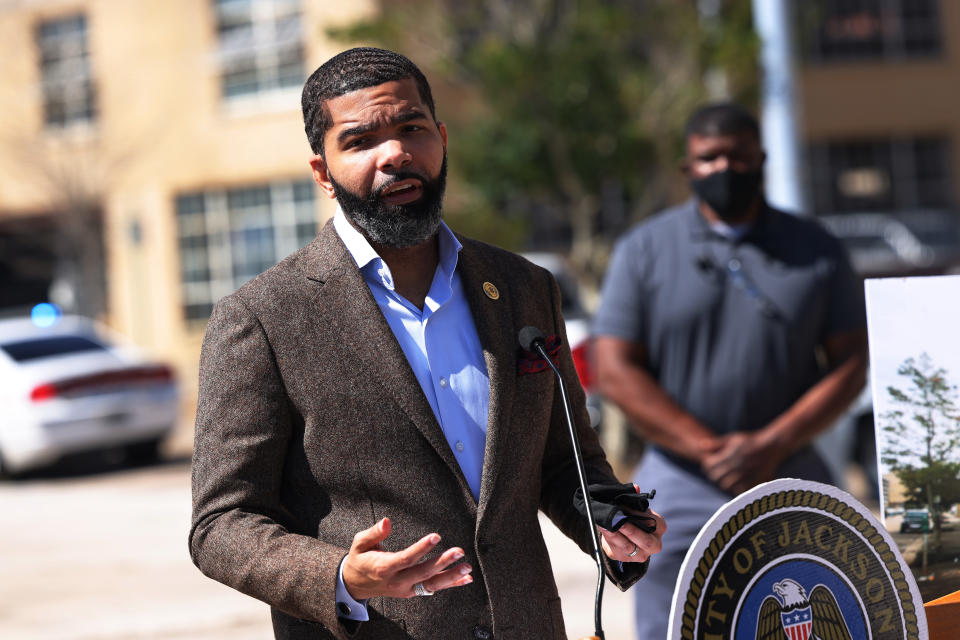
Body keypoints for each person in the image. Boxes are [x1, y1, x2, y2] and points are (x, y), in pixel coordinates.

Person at [189, 47, 665, 640]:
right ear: (323, 172)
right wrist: (341, 574)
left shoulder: (524, 289)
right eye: (360, 142)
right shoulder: (262, 318)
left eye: (411, 130)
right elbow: (221, 524)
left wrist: (612, 523)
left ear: (441, 139)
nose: (395, 155)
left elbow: (564, 462)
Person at [592, 103, 868, 640]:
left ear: (760, 159)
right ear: (687, 167)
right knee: (671, 619)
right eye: (709, 158)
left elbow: (852, 362)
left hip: (791, 467)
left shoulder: (817, 250)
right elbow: (614, 368)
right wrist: (707, 449)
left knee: (825, 603)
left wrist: (771, 443)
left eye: (737, 156)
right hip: (678, 476)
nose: (724, 168)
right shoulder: (643, 250)